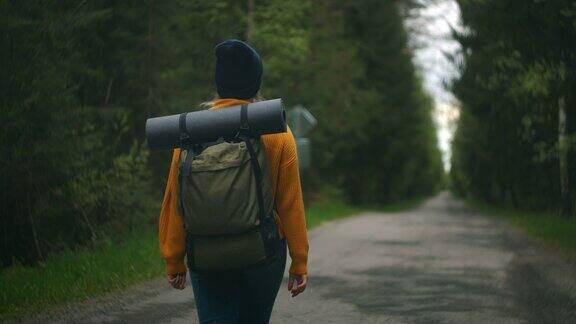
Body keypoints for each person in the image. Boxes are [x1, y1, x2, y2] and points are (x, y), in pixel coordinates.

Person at [158, 39, 309, 324]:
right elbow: (290, 204)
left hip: (205, 254)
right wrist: (299, 261)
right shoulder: (277, 132)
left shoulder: (190, 133)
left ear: (219, 83)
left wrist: (174, 258)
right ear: (256, 82)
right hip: (262, 253)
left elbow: (176, 202)